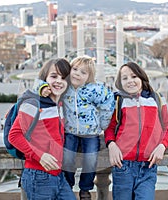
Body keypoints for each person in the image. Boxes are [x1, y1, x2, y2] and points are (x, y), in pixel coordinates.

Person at [8, 58, 76, 200]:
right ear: (44, 78)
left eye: (64, 78)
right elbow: (14, 135)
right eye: (53, 76)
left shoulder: (60, 105)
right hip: (38, 176)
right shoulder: (33, 103)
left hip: (58, 175)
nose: (59, 81)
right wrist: (40, 156)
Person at [104, 62, 168, 200]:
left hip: (148, 166)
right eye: (125, 78)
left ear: (141, 78)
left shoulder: (157, 99)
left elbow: (167, 127)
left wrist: (162, 146)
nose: (130, 81)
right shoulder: (118, 101)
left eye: (133, 76)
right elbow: (109, 128)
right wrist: (111, 145)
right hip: (123, 166)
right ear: (120, 82)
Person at [62, 55, 115, 200]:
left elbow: (108, 103)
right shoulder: (64, 87)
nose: (77, 73)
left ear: (89, 77)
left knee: (91, 160)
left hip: (91, 133)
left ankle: (85, 188)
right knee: (67, 158)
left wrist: (103, 124)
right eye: (75, 69)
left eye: (83, 72)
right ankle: (67, 184)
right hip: (70, 132)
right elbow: (45, 83)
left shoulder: (94, 89)